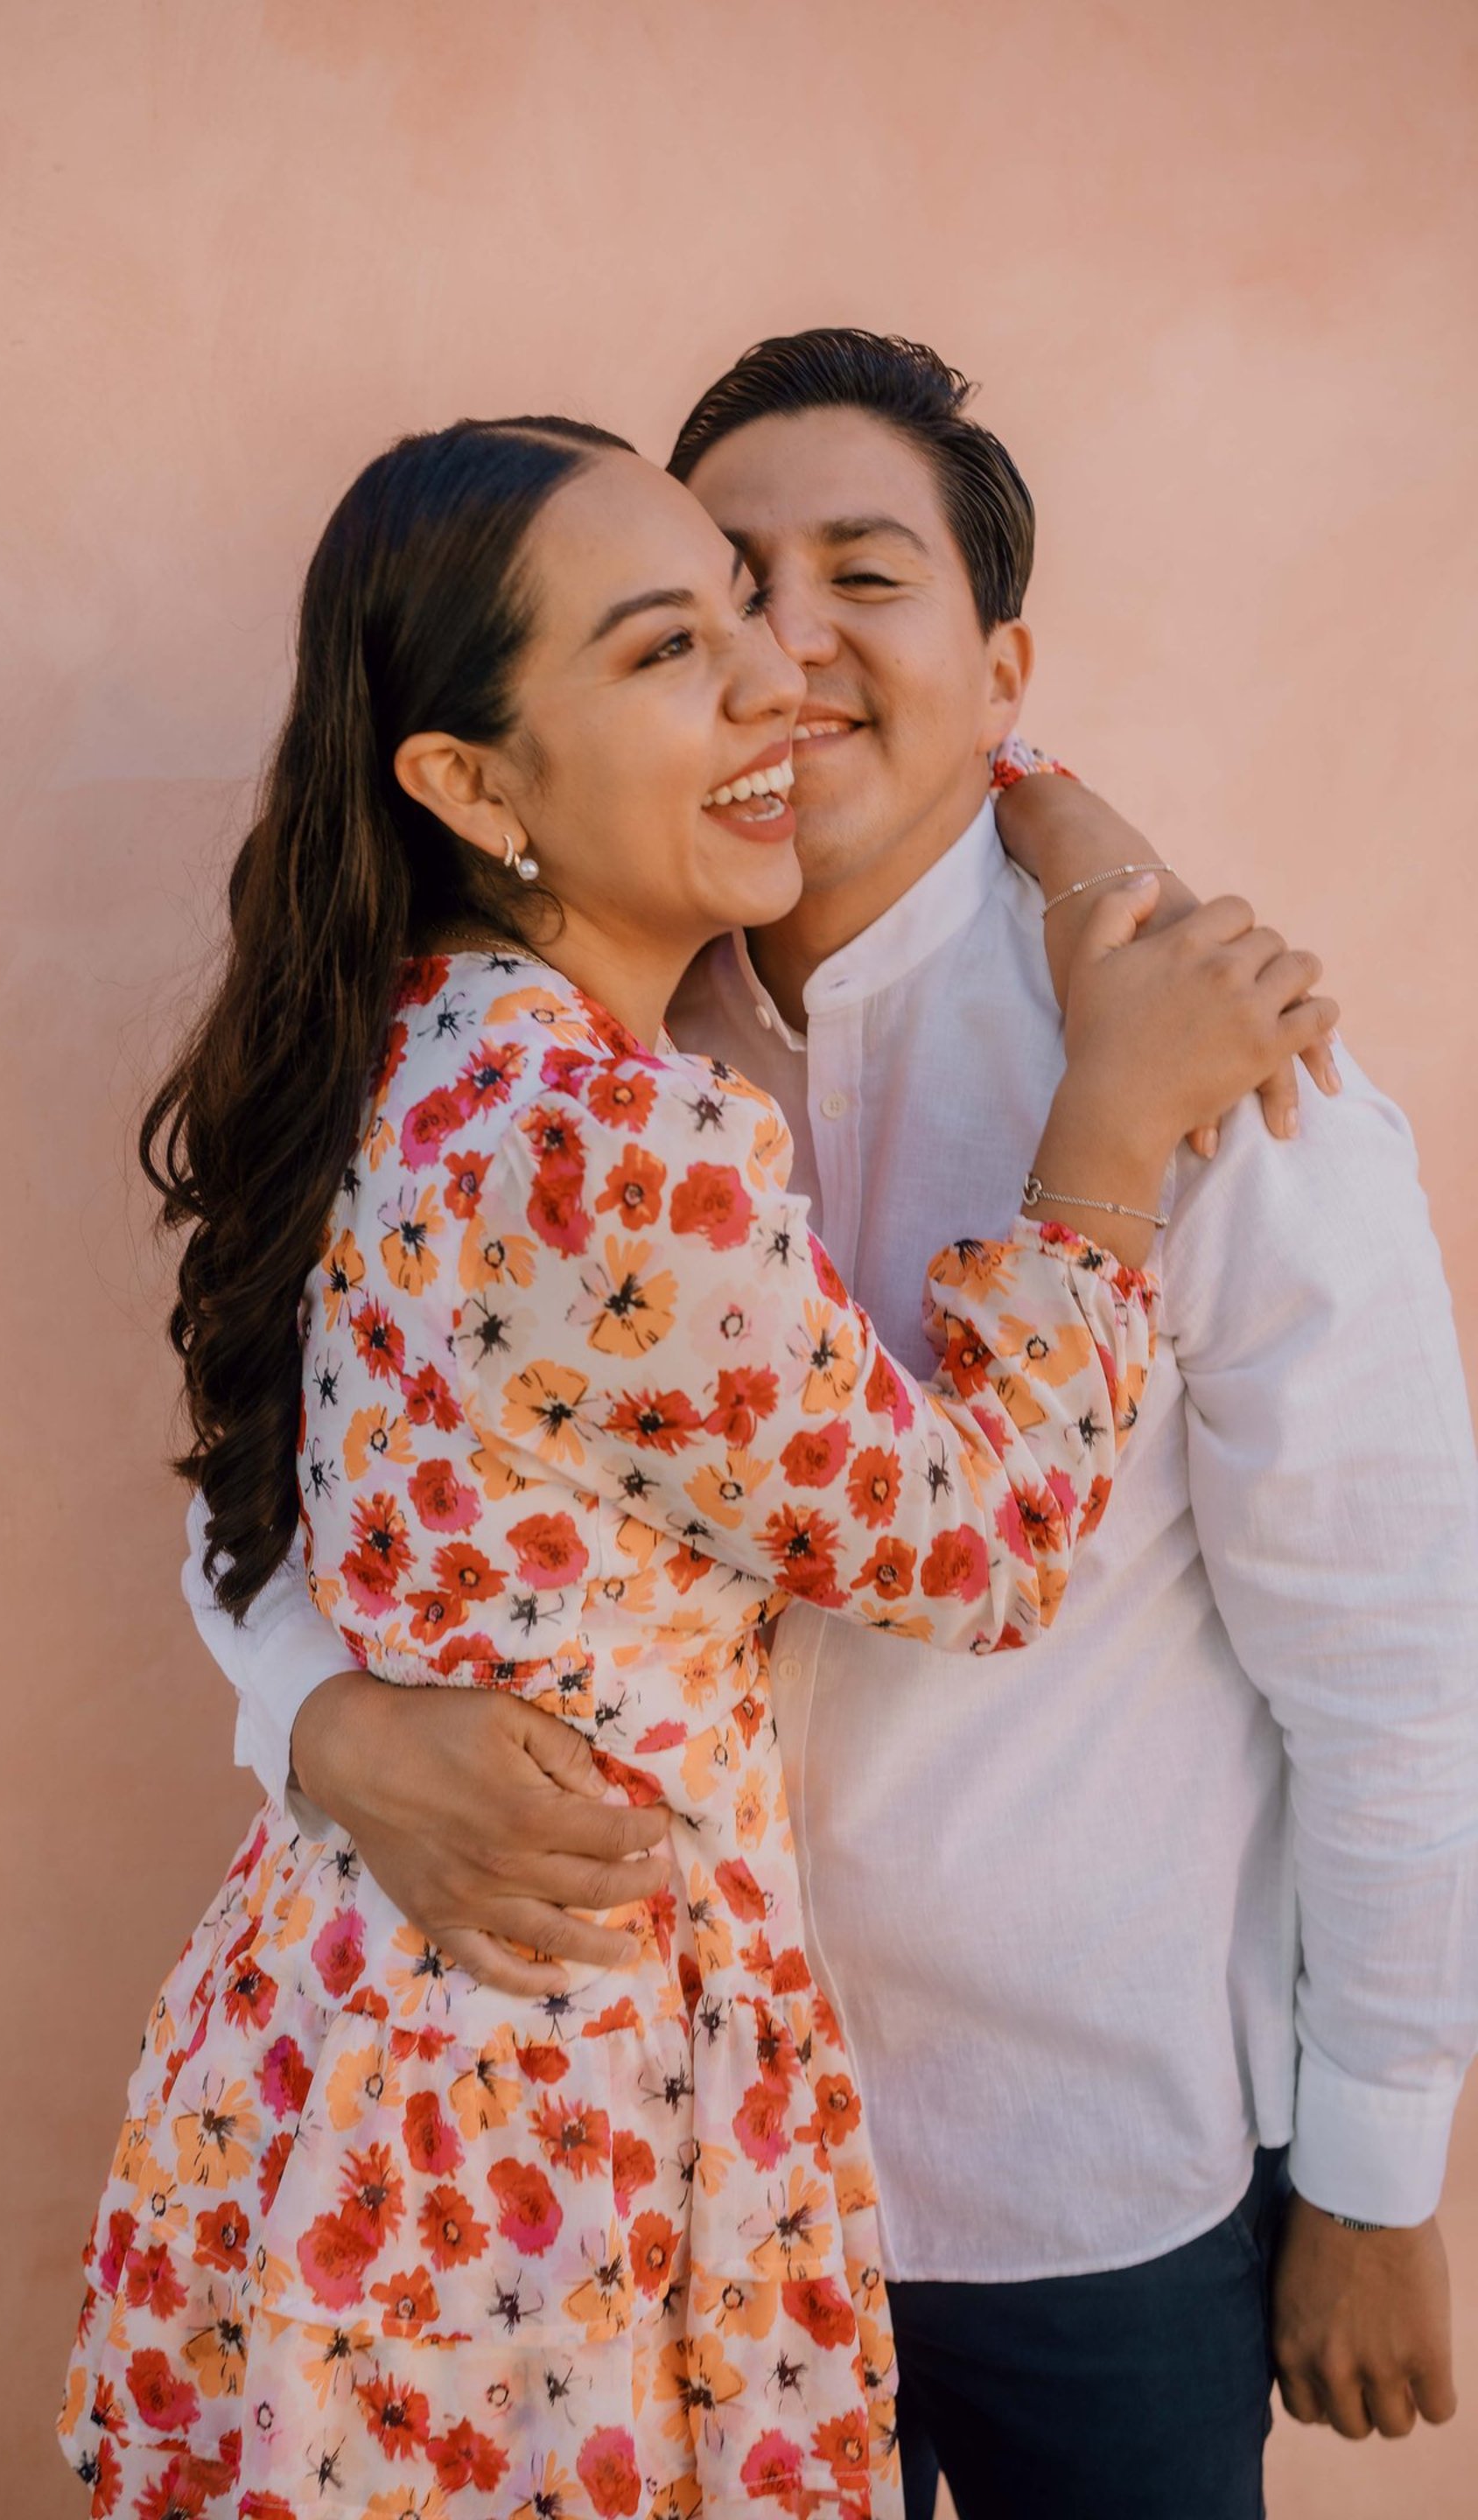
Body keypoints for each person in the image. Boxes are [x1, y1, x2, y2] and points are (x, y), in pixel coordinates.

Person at [193, 337, 1478, 2520]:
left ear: (1004, 672)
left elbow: (1391, 1663)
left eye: (856, 578)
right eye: (717, 594)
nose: (786, 647)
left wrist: (1375, 2162)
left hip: (1076, 2184)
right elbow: (281, 1463)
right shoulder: (586, 1033)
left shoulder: (1226, 1079)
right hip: (638, 2199)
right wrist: (317, 1716)